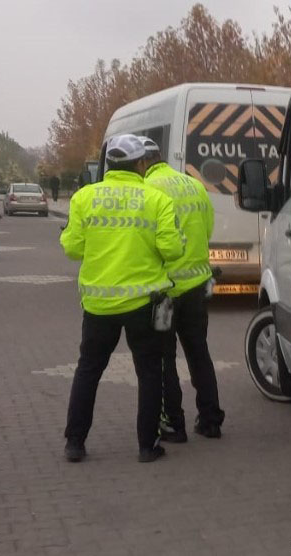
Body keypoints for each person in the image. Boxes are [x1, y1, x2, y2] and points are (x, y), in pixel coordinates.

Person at [59, 134, 185, 464]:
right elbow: (172, 250)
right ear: (141, 163)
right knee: (149, 372)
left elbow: (72, 248)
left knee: (88, 370)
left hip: (98, 304)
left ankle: (74, 442)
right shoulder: (157, 199)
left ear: (110, 164)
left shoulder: (84, 197)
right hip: (144, 303)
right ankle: (147, 446)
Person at [139, 137, 225, 441]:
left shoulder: (147, 190)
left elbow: (144, 240)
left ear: (142, 162)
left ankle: (174, 424)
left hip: (164, 292)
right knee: (199, 352)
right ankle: (211, 420)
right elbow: (207, 228)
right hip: (196, 287)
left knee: (164, 359)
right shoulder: (194, 185)